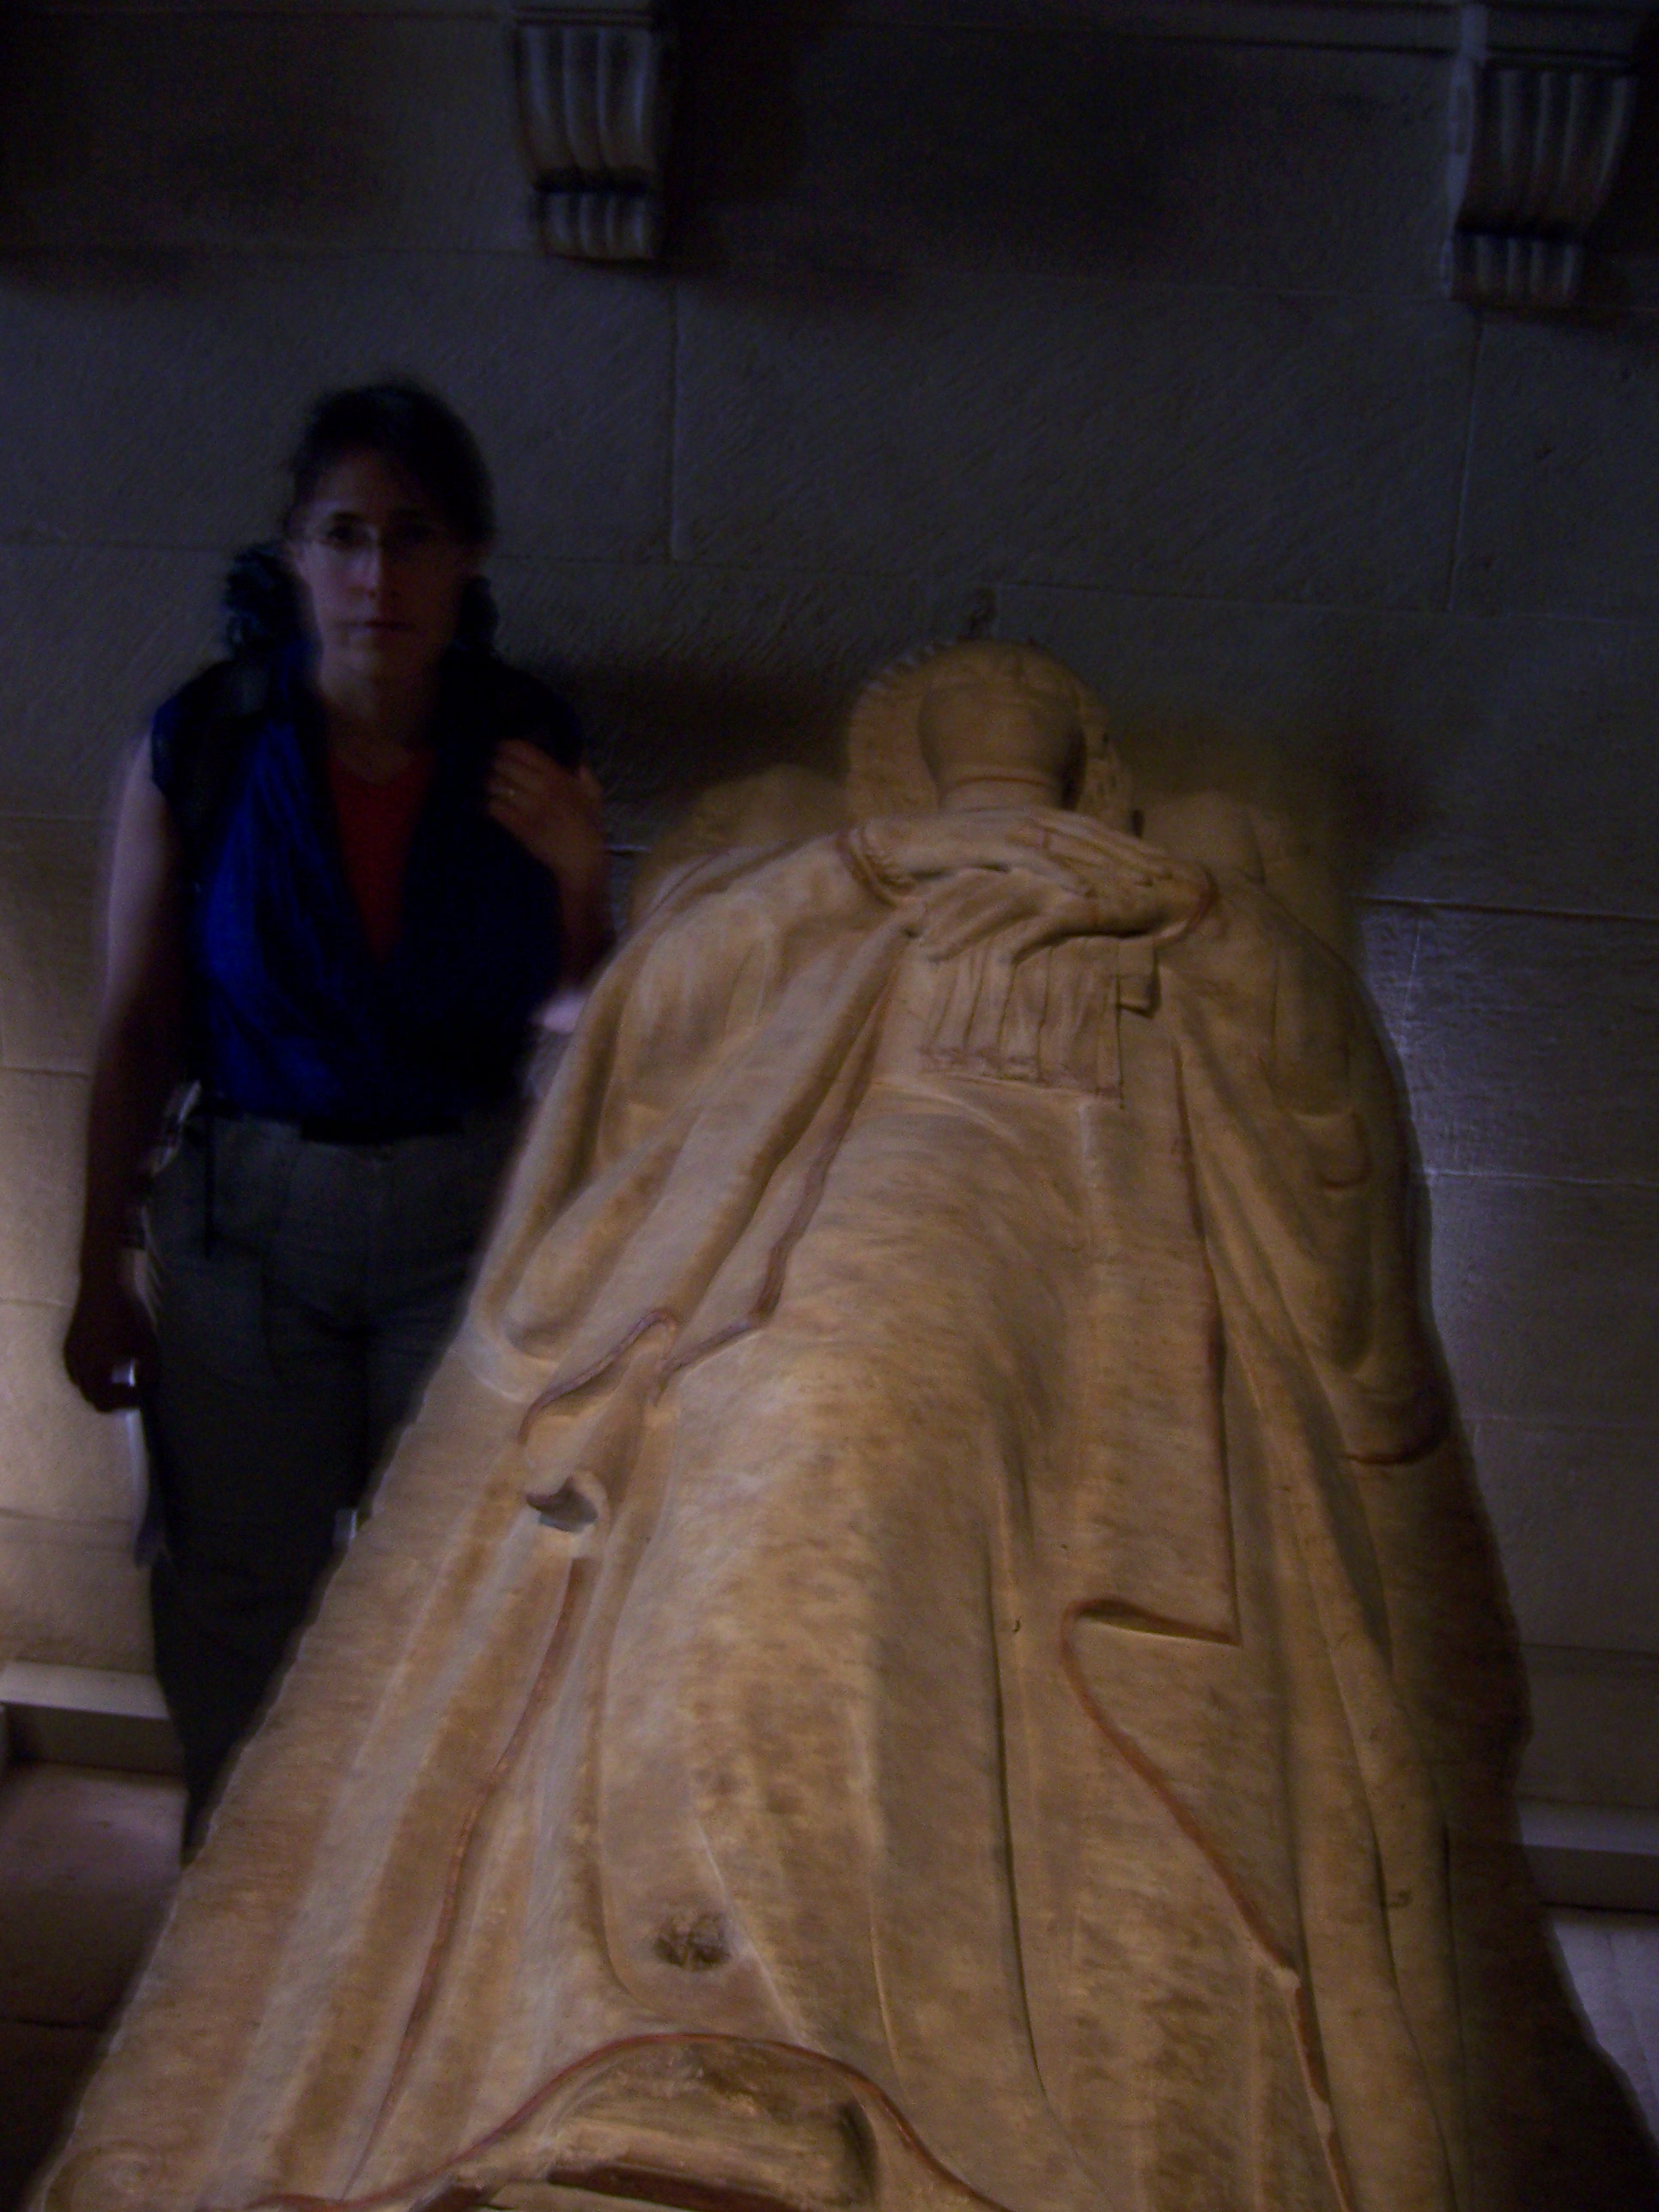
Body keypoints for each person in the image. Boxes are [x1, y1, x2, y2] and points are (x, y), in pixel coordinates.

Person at [34, 643, 1657, 2212]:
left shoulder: (1168, 903)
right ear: (905, 767)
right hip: (828, 1252)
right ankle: (720, 2026)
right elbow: (646, 1029)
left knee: (884, 1456)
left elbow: (1327, 1113)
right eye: (963, 712)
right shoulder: (830, 880)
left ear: (1093, 770)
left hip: (1083, 1274)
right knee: (783, 1472)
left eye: (1031, 714)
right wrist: (868, 867)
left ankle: (822, 2052)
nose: (999, 722)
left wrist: (1188, 909)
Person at [60, 382, 611, 1841]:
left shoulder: (521, 741)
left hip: (463, 1222)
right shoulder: (207, 741)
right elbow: (134, 1029)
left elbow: (581, 1017)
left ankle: (404, 1924)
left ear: (466, 557)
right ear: (297, 554)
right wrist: (97, 1270)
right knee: (239, 1596)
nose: (378, 577)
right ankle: (233, 1910)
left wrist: (579, 873)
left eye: (412, 536)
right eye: (346, 536)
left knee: (456, 1585)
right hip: (251, 1228)